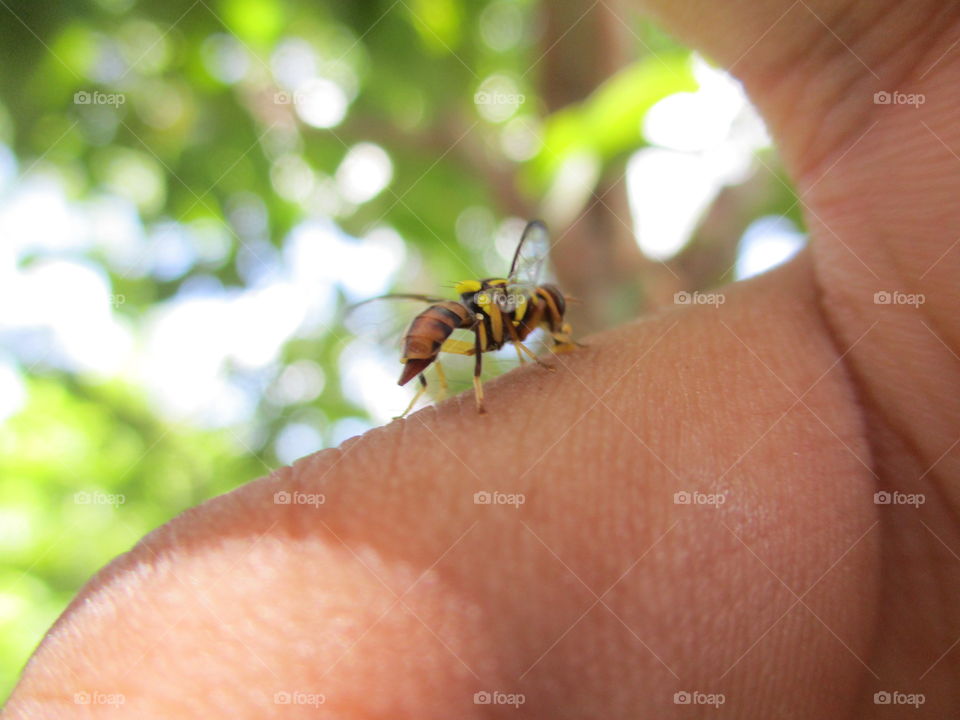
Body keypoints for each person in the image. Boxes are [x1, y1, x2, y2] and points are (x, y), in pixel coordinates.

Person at [7, 0, 960, 716]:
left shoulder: (523, 316)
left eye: (545, 320)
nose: (546, 326)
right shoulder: (496, 317)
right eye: (546, 319)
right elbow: (491, 313)